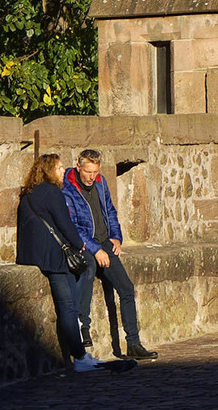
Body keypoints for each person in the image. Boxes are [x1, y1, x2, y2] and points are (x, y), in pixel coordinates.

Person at [61, 149, 158, 364]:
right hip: (84, 244)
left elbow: (110, 212)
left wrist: (116, 237)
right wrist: (96, 249)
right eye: (87, 172)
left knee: (126, 288)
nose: (91, 177)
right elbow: (73, 226)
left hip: (105, 241)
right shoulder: (68, 188)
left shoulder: (101, 183)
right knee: (88, 271)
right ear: (78, 167)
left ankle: (133, 342)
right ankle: (83, 327)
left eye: (94, 172)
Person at [17, 150, 101, 372]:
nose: (64, 171)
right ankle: (80, 356)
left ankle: (80, 351)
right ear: (49, 171)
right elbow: (65, 224)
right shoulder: (52, 193)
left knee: (70, 303)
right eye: (59, 167)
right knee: (68, 307)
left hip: (35, 255)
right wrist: (79, 243)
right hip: (54, 257)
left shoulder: (29, 193)